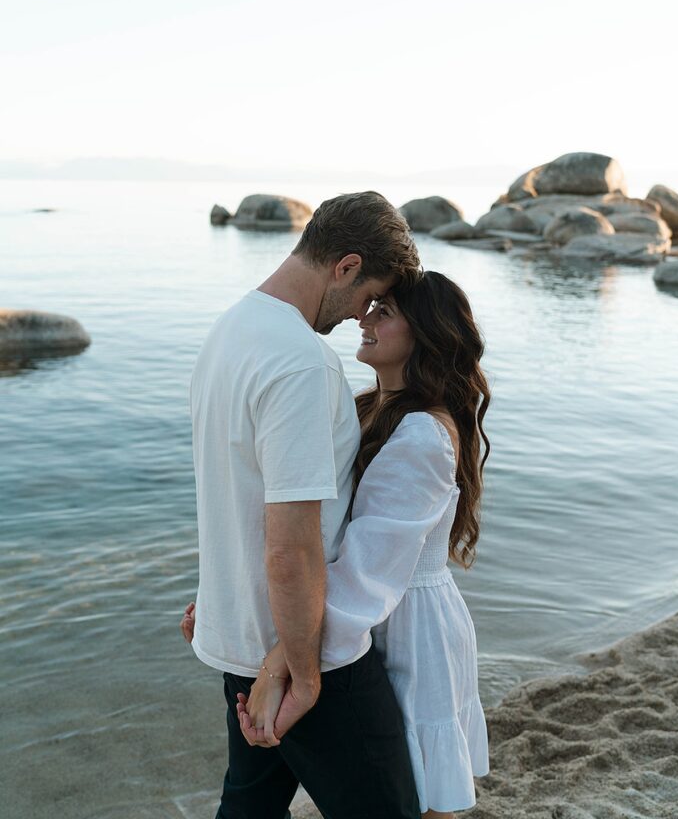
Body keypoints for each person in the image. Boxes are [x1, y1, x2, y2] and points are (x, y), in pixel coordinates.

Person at [185, 191, 423, 819]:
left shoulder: (230, 329)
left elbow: (228, 486)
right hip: (305, 645)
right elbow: (291, 545)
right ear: (344, 266)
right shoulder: (301, 363)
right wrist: (307, 675)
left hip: (243, 637)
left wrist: (218, 596)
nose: (359, 317)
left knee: (251, 804)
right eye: (367, 296)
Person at [226, 270, 492, 818]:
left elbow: (367, 569)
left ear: (425, 334)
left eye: (384, 312)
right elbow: (316, 529)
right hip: (370, 611)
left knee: (419, 792)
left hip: (408, 625)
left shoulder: (421, 434)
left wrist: (282, 661)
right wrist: (229, 600)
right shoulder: (370, 407)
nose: (363, 318)